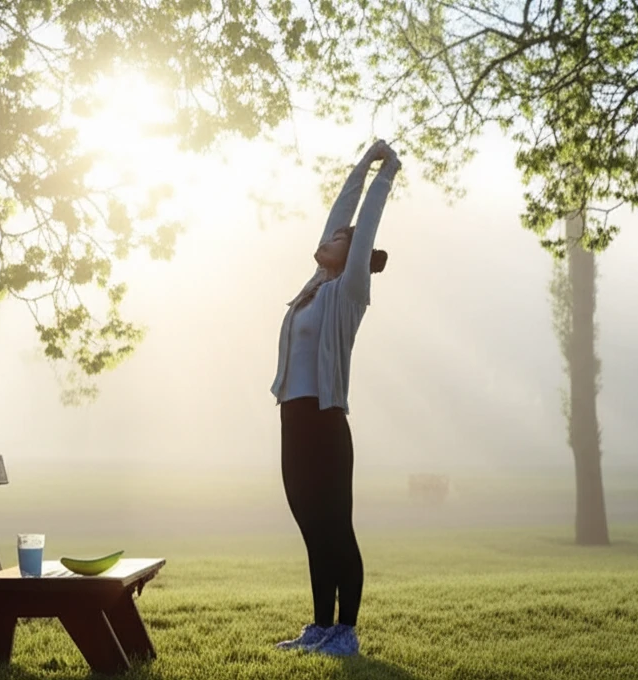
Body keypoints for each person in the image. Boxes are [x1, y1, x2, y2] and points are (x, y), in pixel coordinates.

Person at [271, 139, 401, 656]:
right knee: (309, 526)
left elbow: (361, 224)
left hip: (324, 424)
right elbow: (342, 214)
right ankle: (320, 628)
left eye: (341, 240)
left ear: (353, 258)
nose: (330, 238)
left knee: (335, 527)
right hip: (293, 421)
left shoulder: (348, 294)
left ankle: (346, 632)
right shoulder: (314, 285)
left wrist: (386, 172)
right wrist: (362, 162)